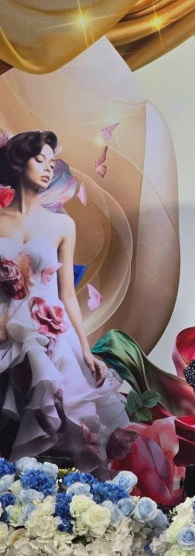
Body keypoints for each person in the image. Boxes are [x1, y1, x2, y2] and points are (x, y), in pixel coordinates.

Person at [0, 130, 128, 472]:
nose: (47, 168)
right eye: (39, 159)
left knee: (67, 426)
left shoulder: (62, 224)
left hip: (51, 334)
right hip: (4, 334)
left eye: (51, 162)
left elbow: (66, 294)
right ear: (18, 163)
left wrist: (86, 351)